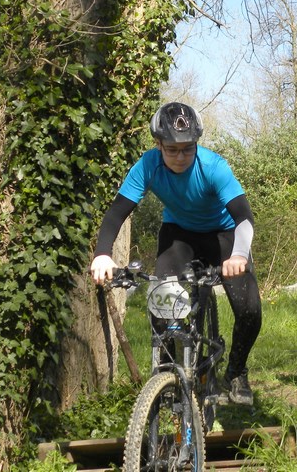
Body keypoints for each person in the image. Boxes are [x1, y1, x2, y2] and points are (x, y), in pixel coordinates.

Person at [91, 102, 261, 406]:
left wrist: (238, 255)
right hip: (179, 234)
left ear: (196, 144)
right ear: (158, 145)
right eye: (172, 150)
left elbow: (244, 218)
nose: (180, 157)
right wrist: (102, 254)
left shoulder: (213, 167)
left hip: (224, 236)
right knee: (162, 301)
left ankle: (236, 371)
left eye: (187, 149)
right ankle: (170, 374)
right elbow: (117, 212)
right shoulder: (147, 165)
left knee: (249, 310)